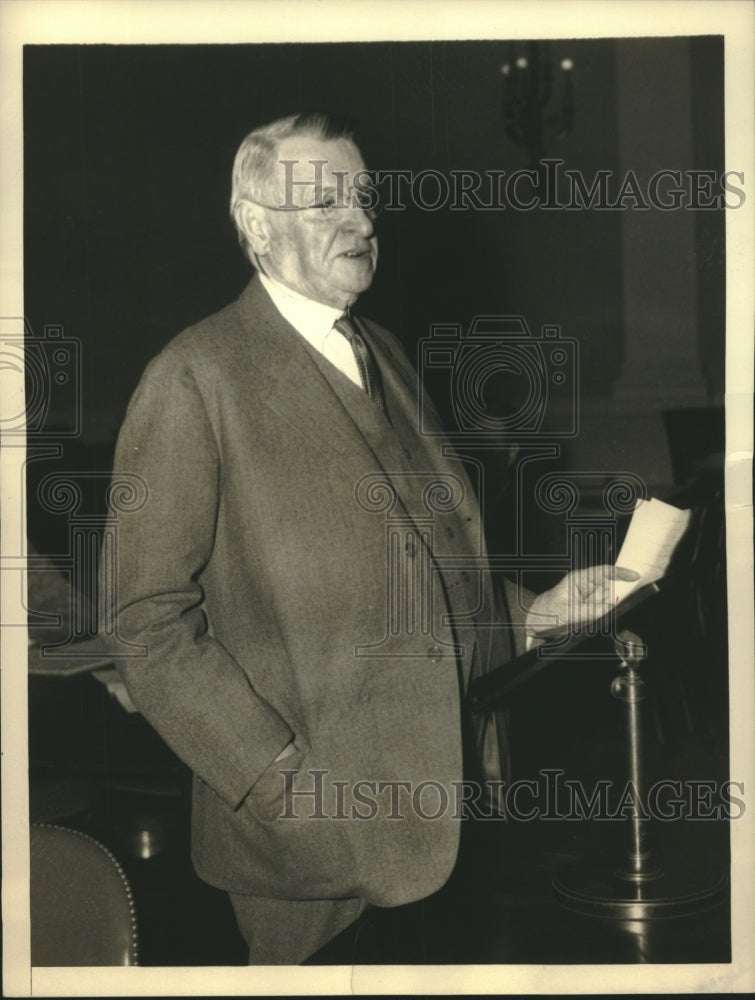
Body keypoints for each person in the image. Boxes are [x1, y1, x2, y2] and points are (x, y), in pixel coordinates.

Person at [104, 111, 635, 964]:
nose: (359, 221)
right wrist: (275, 778)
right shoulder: (194, 379)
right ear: (256, 227)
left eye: (364, 199)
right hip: (310, 844)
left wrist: (532, 613)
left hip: (444, 812)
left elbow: (421, 562)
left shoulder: (378, 349)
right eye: (325, 203)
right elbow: (145, 623)